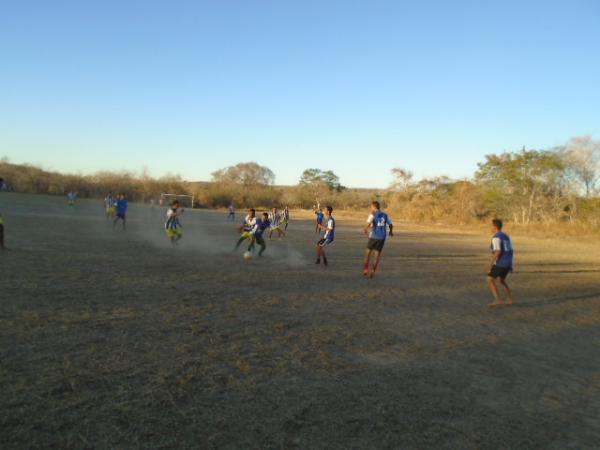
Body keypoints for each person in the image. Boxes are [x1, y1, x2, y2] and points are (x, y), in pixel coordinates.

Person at [487, 218, 515, 307]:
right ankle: (510, 299)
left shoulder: (496, 237)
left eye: (491, 226)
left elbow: (498, 251)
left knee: (489, 279)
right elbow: (511, 250)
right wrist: (510, 264)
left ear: (495, 227)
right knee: (501, 280)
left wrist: (489, 264)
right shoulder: (506, 236)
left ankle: (497, 299)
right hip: (507, 262)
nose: (490, 228)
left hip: (501, 263)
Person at [363, 201, 393, 278]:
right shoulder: (385, 215)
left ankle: (366, 270)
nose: (370, 208)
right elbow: (390, 224)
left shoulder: (372, 214)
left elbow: (368, 224)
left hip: (373, 236)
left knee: (368, 253)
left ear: (373, 207)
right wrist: (390, 232)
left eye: (371, 207)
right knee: (377, 256)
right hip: (382, 237)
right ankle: (373, 271)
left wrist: (365, 229)